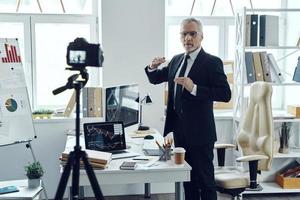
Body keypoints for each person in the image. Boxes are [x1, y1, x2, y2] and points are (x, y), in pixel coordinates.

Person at [144, 18, 231, 200]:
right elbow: (156, 78)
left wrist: (194, 88)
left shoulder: (212, 62)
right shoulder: (176, 60)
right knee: (187, 180)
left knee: (205, 182)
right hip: (180, 133)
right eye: (184, 34)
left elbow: (225, 94)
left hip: (201, 134)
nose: (188, 38)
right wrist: (152, 67)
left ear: (201, 36)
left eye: (192, 34)